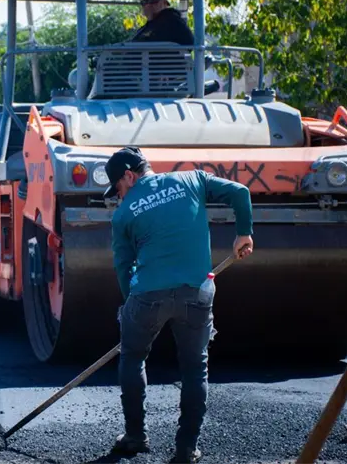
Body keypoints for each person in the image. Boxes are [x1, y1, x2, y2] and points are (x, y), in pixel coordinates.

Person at [104, 147, 253, 464]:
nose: (118, 195)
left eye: (117, 187)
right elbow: (240, 192)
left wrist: (130, 306)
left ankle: (135, 437)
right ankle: (186, 449)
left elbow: (123, 268)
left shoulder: (123, 214)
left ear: (129, 175)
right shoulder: (193, 178)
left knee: (132, 357)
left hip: (147, 297)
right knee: (195, 367)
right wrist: (244, 234)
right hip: (196, 294)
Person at [130, 0, 194, 46]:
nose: (148, 4)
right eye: (145, 1)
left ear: (164, 2)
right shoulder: (146, 27)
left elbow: (189, 42)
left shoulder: (172, 21)